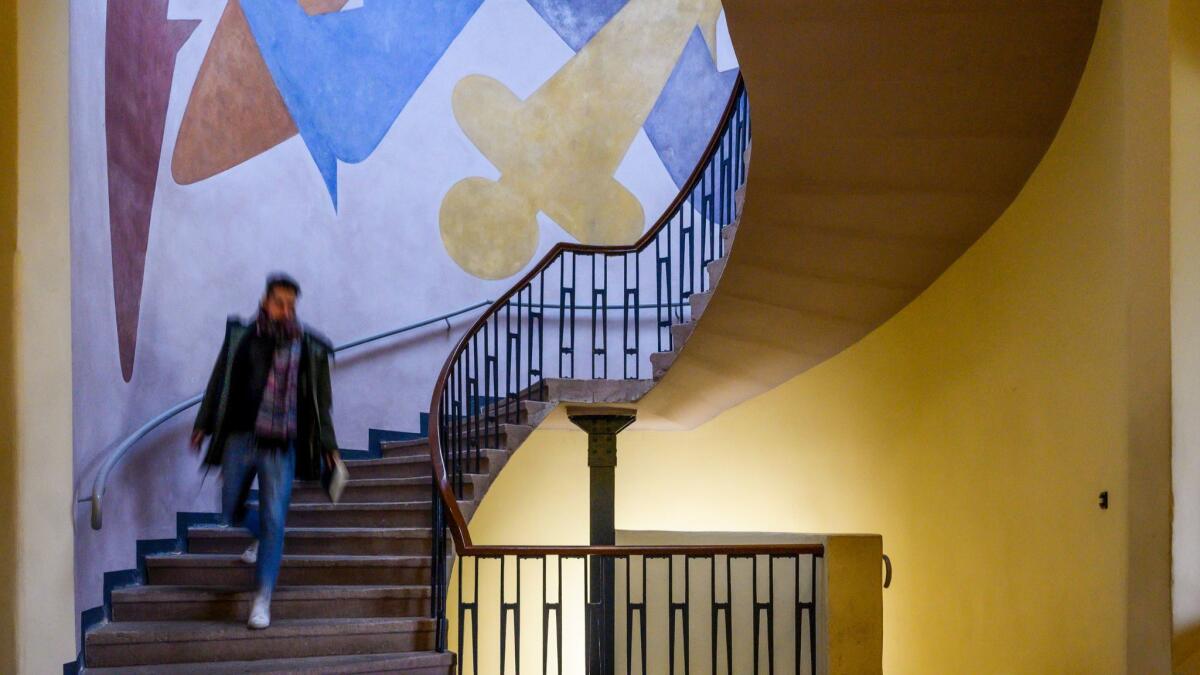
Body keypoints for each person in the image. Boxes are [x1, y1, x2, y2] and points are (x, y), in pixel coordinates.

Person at [191, 273, 339, 629]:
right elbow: (219, 382)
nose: (285, 310)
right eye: (279, 303)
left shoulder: (309, 347)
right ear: (264, 302)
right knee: (229, 509)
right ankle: (260, 537)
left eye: (291, 305)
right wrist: (203, 423)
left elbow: (321, 404)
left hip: (281, 446)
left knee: (275, 520)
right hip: (241, 439)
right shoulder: (243, 338)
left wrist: (329, 447)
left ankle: (263, 596)